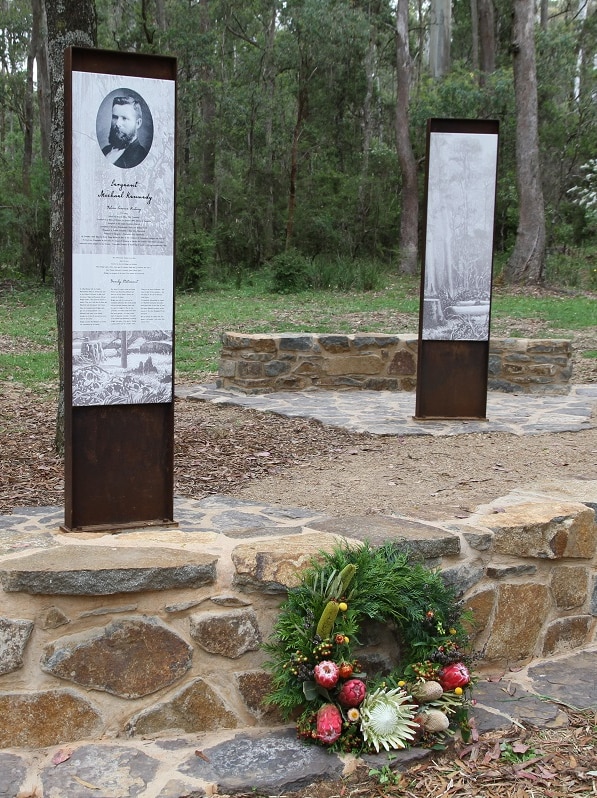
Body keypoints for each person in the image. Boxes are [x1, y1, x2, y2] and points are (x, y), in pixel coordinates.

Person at [102, 96, 148, 169]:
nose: (117, 124)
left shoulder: (141, 157)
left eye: (124, 118)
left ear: (138, 123)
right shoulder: (105, 150)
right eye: (115, 117)